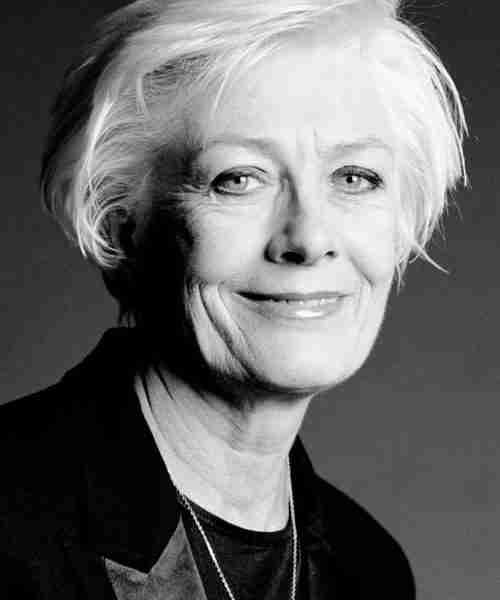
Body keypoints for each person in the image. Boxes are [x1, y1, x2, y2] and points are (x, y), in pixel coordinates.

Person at [1, 0, 466, 598]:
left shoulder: (369, 569)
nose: (309, 239)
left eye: (354, 177)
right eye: (238, 179)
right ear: (123, 226)